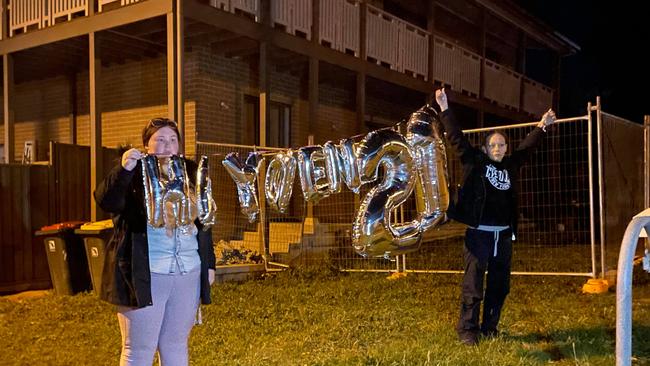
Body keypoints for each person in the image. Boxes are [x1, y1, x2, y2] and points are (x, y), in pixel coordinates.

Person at [434, 88, 556, 346]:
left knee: (500, 286)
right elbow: (457, 139)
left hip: (503, 236)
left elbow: (526, 149)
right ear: (486, 148)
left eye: (502, 144)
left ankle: (490, 328)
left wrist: (542, 126)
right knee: (473, 284)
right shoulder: (475, 163)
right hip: (479, 235)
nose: (498, 148)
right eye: (493, 145)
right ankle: (468, 331)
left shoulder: (510, 166)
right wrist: (445, 108)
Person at [94, 117, 216, 365]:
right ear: (146, 145)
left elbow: (204, 222)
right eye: (159, 140)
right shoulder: (133, 174)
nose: (167, 145)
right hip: (147, 273)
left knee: (175, 344)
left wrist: (209, 264)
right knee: (138, 349)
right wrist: (124, 170)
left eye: (172, 140)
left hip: (187, 273)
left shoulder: (191, 173)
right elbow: (107, 201)